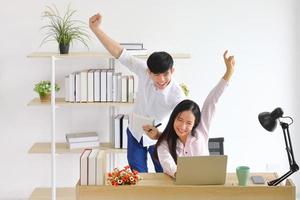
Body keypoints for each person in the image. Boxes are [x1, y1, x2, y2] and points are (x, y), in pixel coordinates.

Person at [89, 13, 186, 172]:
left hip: (160, 138)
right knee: (137, 176)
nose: (161, 80)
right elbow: (120, 53)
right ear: (149, 72)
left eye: (166, 74)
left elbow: (185, 125)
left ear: (172, 71)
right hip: (135, 132)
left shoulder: (177, 95)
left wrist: (162, 135)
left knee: (165, 175)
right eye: (156, 75)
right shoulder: (143, 70)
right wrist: (95, 29)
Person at [144, 50, 235, 178]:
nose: (182, 126)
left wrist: (229, 73)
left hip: (207, 185)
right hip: (180, 189)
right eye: (179, 120)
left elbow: (211, 101)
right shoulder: (164, 143)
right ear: (173, 118)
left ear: (195, 124)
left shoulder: (201, 131)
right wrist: (182, 175)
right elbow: (169, 166)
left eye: (188, 123)